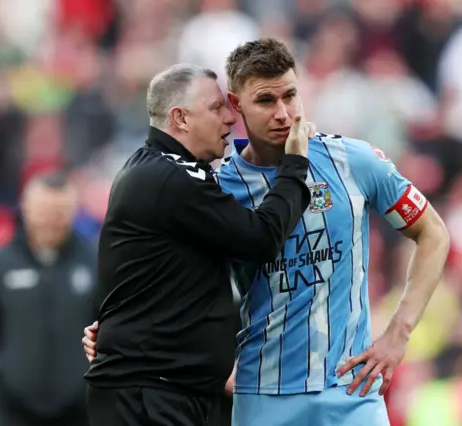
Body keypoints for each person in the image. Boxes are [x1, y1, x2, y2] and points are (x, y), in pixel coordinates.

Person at [83, 39, 450, 425]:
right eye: (265, 101)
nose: (283, 113)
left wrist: (399, 332)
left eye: (290, 96)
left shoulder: (353, 162)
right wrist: (118, 330)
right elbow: (163, 270)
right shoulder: (216, 187)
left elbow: (433, 233)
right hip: (261, 396)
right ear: (236, 105)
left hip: (350, 390)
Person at [83, 64, 314, 426]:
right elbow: (261, 238)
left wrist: (120, 327)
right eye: (216, 107)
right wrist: (295, 165)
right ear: (181, 118)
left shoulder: (156, 170)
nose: (229, 119)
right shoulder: (172, 177)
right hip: (150, 394)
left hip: (168, 389)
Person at [0, 171, 98, 426]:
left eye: (59, 213)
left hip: (79, 411)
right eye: (43, 211)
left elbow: (116, 328)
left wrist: (96, 374)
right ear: (26, 210)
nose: (50, 222)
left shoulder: (94, 263)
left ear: (72, 213)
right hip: (15, 412)